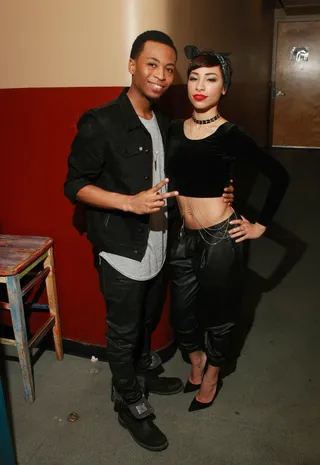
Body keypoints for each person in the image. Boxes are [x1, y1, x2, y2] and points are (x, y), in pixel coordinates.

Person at [64, 32, 234, 451]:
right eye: (152, 64)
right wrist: (128, 203)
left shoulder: (161, 121)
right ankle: (128, 400)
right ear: (133, 65)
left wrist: (219, 193)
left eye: (169, 68)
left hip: (157, 245)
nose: (160, 75)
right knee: (122, 332)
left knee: (144, 320)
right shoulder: (100, 120)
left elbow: (172, 174)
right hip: (121, 249)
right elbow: (74, 186)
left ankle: (141, 371)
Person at [166, 45, 289, 412]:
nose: (200, 86)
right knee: (182, 317)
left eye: (211, 79)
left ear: (224, 89)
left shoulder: (231, 134)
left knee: (220, 315)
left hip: (220, 237)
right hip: (182, 236)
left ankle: (214, 373)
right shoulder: (174, 128)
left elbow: (279, 177)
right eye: (194, 78)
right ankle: (197, 359)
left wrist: (260, 226)